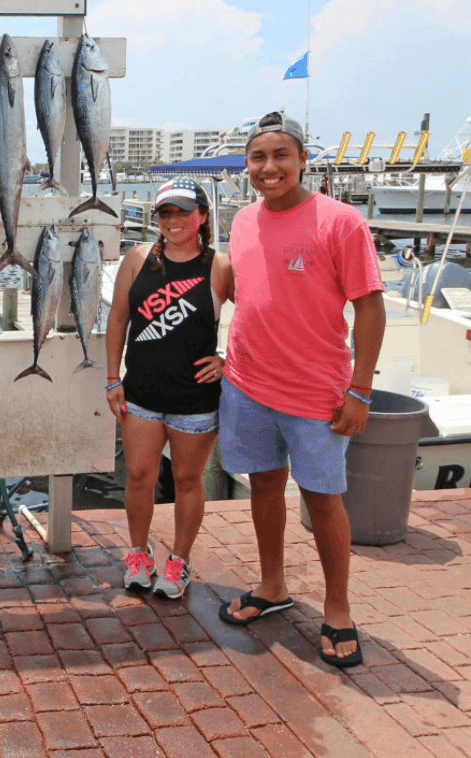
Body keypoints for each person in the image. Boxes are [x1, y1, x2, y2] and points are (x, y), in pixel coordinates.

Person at [216, 111, 384, 669]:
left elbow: (370, 308)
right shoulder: (242, 220)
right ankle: (272, 585)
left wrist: (361, 391)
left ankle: (338, 609)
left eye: (281, 155)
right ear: (247, 164)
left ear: (303, 160)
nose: (269, 167)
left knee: (322, 499)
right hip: (246, 384)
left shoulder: (341, 221)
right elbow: (248, 293)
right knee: (264, 486)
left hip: (316, 392)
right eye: (258, 157)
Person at [105, 177, 233, 600]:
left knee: (187, 480)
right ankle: (138, 553)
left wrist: (229, 361)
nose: (173, 221)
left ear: (203, 216)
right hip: (141, 392)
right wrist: (112, 377)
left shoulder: (220, 266)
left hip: (194, 398)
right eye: (165, 213)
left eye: (183, 212)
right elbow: (118, 318)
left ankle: (180, 560)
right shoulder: (137, 258)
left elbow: (258, 315)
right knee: (139, 476)